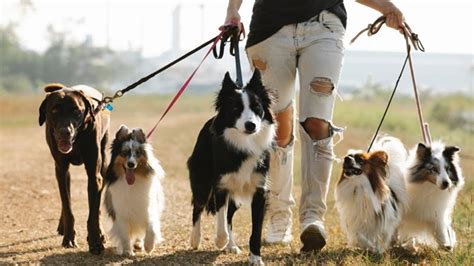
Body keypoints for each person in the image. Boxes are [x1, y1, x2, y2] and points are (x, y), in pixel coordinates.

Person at [224, 0, 405, 252]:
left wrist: (387, 8)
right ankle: (278, 214)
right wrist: (233, 11)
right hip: (269, 29)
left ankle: (313, 216)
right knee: (277, 126)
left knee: (318, 122)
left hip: (325, 26)